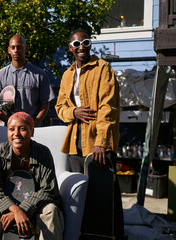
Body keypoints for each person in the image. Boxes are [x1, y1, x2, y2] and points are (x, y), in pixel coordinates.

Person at [55, 29, 124, 239]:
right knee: (80, 195)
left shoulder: (103, 69)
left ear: (90, 44)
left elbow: (108, 107)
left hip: (97, 143)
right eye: (77, 44)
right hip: (75, 143)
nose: (81, 47)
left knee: (104, 195)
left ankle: (112, 236)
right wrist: (73, 112)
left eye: (85, 42)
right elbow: (60, 107)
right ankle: (83, 235)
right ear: (71, 48)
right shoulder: (67, 75)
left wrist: (101, 143)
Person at [0, 112, 62, 239]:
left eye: (22, 129)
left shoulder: (43, 153)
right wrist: (15, 211)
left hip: (36, 204)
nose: (16, 133)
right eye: (11, 129)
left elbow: (48, 190)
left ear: (32, 132)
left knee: (51, 210)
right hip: (6, 203)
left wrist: (23, 210)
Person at [0, 34, 55, 127]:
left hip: (32, 128)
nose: (16, 50)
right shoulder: (0, 75)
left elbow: (45, 103)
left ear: (26, 49)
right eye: (13, 47)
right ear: (9, 50)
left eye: (19, 47)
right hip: (6, 129)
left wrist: (34, 124)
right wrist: (8, 121)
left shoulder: (40, 75)